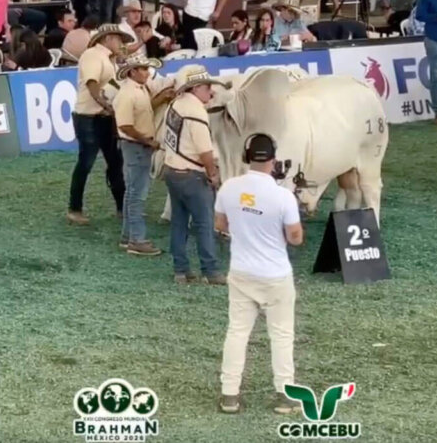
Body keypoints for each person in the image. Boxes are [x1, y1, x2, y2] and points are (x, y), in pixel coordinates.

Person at [215, 133, 304, 415]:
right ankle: (284, 395)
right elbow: (296, 238)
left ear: (246, 157)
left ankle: (229, 395)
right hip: (275, 276)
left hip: (241, 271)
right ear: (274, 160)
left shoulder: (229, 188)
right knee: (281, 335)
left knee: (237, 333)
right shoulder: (283, 196)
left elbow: (221, 224)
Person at [162, 64, 225, 285]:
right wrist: (213, 173)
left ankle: (181, 270)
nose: (212, 92)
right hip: (192, 175)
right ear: (196, 88)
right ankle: (211, 271)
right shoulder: (196, 111)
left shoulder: (175, 104)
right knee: (204, 224)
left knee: (179, 223)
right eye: (208, 87)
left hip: (173, 171)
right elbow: (204, 151)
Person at [66, 24, 132, 225]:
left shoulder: (105, 58)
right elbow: (92, 84)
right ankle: (75, 208)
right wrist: (106, 105)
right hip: (89, 116)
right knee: (87, 162)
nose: (121, 44)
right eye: (119, 39)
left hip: (100, 115)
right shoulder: (93, 55)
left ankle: (121, 207)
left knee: (114, 161)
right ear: (108, 38)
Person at [114, 59, 165, 255]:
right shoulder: (127, 94)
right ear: (132, 72)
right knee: (137, 194)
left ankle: (129, 237)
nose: (147, 72)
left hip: (136, 146)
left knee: (132, 192)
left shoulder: (136, 90)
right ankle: (137, 239)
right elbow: (125, 126)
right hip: (136, 146)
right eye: (143, 69)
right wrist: (147, 140)